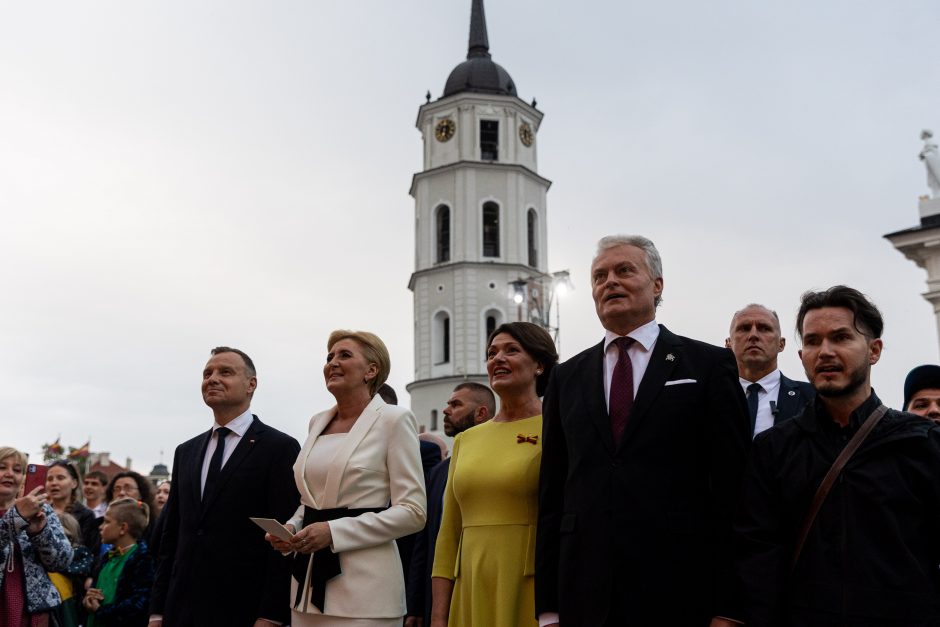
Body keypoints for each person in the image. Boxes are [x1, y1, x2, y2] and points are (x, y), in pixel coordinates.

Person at [536, 234, 751, 627]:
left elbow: (732, 491)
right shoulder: (567, 377)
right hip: (586, 593)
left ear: (657, 285)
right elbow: (553, 495)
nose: (609, 282)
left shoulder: (707, 365)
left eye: (624, 271)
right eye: (599, 276)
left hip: (680, 590)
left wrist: (729, 607)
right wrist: (549, 609)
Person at [731, 285, 940, 626]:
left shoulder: (923, 444)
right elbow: (757, 558)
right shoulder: (774, 449)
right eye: (813, 341)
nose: (825, 351)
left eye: (841, 337)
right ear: (800, 356)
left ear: (874, 350)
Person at [267, 330, 426, 626]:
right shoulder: (317, 422)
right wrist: (292, 527)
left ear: (371, 370)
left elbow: (413, 512)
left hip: (366, 592)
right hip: (306, 590)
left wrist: (334, 532)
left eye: (344, 355)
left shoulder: (394, 420)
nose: (332, 363)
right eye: (329, 357)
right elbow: (311, 499)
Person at [149, 346, 300, 627]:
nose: (212, 379)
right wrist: (157, 611)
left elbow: (283, 539)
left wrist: (271, 616)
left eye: (225, 372)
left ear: (251, 384)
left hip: (243, 609)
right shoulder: (186, 452)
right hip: (181, 610)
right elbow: (172, 537)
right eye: (207, 373)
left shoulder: (279, 448)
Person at [432, 322, 558, 627]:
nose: (497, 359)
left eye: (511, 350)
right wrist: (438, 617)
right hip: (471, 584)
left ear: (539, 365)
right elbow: (448, 535)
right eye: (491, 353)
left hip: (530, 584)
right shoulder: (466, 440)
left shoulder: (559, 428)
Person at [405, 382, 495, 627]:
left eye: (456, 405)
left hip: (484, 585)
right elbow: (425, 543)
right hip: (438, 598)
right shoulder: (439, 472)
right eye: (447, 404)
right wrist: (415, 604)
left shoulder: (498, 469)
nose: (446, 410)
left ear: (481, 413)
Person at [0, 446, 74, 626]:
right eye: (2, 467)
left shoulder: (42, 509)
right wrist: (17, 517)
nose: (10, 473)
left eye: (17, 470)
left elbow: (62, 561)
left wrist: (40, 532)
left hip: (32, 612)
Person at [725, 304, 814, 437]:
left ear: (781, 344)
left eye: (764, 328)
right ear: (728, 343)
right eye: (744, 328)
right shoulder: (707, 398)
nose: (753, 335)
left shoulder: (813, 398)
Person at [84, 498, 155, 627]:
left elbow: (138, 603)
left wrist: (101, 611)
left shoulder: (143, 559)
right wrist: (88, 599)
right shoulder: (107, 558)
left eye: (106, 522)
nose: (100, 527)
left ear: (123, 528)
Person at [46, 461, 99, 553]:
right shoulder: (40, 512)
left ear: (74, 483)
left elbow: (90, 552)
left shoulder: (86, 515)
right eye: (50, 479)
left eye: (60, 478)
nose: (54, 483)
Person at [105, 471, 157, 542]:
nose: (121, 493)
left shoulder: (153, 527)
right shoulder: (100, 525)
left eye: (128, 488)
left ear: (141, 494)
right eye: (117, 489)